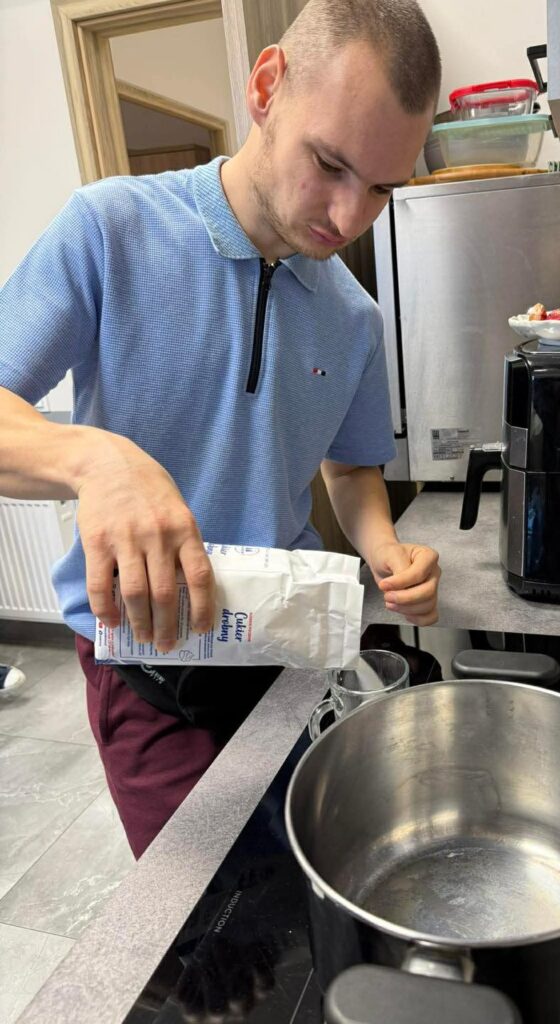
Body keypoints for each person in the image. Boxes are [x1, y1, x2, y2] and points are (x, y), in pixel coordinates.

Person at [0, 0, 442, 857]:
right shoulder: (110, 229)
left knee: (301, 869)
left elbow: (350, 470)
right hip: (143, 658)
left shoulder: (354, 317)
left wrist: (385, 547)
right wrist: (96, 460)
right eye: (331, 164)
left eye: (382, 189)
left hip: (282, 640)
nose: (348, 216)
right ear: (267, 87)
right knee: (201, 909)